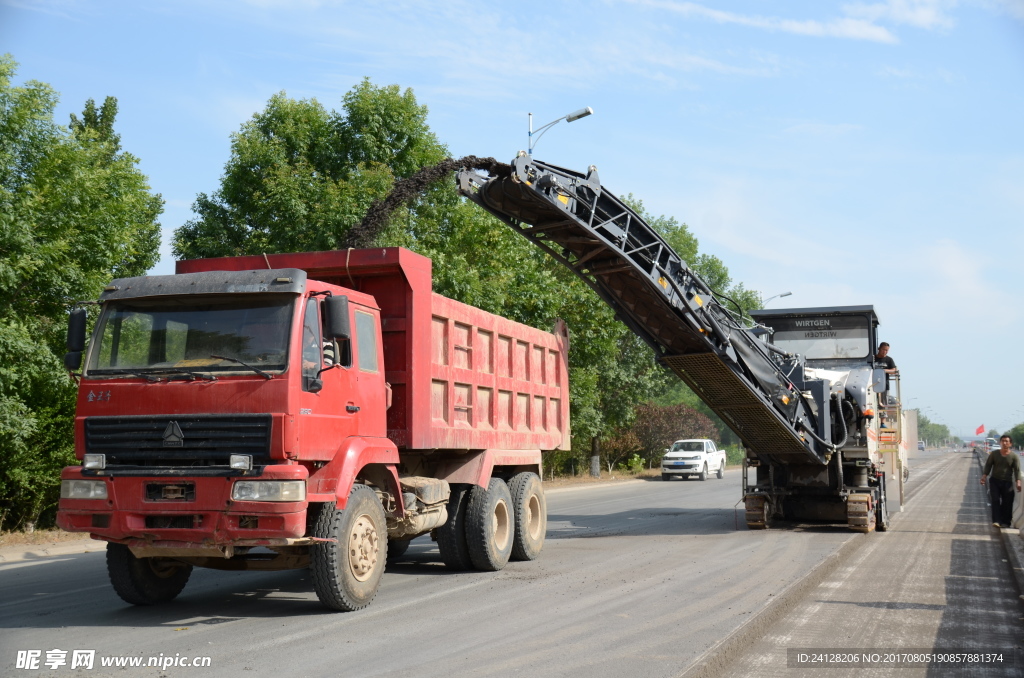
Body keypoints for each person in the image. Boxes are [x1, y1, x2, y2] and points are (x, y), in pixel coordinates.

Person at [981, 434, 1022, 528]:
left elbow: (1017, 470)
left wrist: (1018, 481)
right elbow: (988, 465)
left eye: (1007, 441)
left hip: (1007, 482)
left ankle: (1006, 522)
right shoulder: (994, 454)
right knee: (995, 500)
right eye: (1003, 441)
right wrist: (984, 476)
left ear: (1010, 444)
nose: (1004, 443)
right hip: (994, 481)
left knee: (1007, 502)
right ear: (1000, 442)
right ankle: (996, 521)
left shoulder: (1014, 456)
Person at [873, 342, 897, 407]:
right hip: (872, 385)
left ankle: (883, 417)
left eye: (887, 350)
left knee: (883, 407)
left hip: (884, 386)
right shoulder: (873, 358)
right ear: (879, 349)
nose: (885, 352)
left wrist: (884, 371)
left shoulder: (889, 360)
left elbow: (894, 370)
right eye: (883, 349)